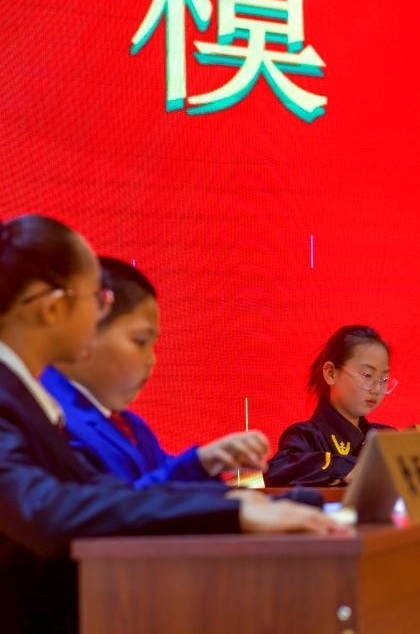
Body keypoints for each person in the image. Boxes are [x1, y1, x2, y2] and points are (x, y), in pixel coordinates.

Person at [0, 214, 338, 633]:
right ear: (52, 307)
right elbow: (45, 510)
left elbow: (104, 492)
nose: (103, 308)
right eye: (97, 296)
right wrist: (229, 511)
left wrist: (234, 503)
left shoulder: (25, 399)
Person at [40, 257, 269, 489]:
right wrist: (201, 464)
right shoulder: (49, 417)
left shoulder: (132, 425)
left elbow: (168, 483)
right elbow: (108, 503)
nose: (152, 360)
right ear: (85, 328)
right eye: (140, 341)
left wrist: (212, 466)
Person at [265, 325, 395, 486]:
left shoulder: (386, 437)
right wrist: (346, 467)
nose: (376, 389)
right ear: (331, 373)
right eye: (367, 375)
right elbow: (277, 470)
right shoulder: (305, 436)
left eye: (383, 379)